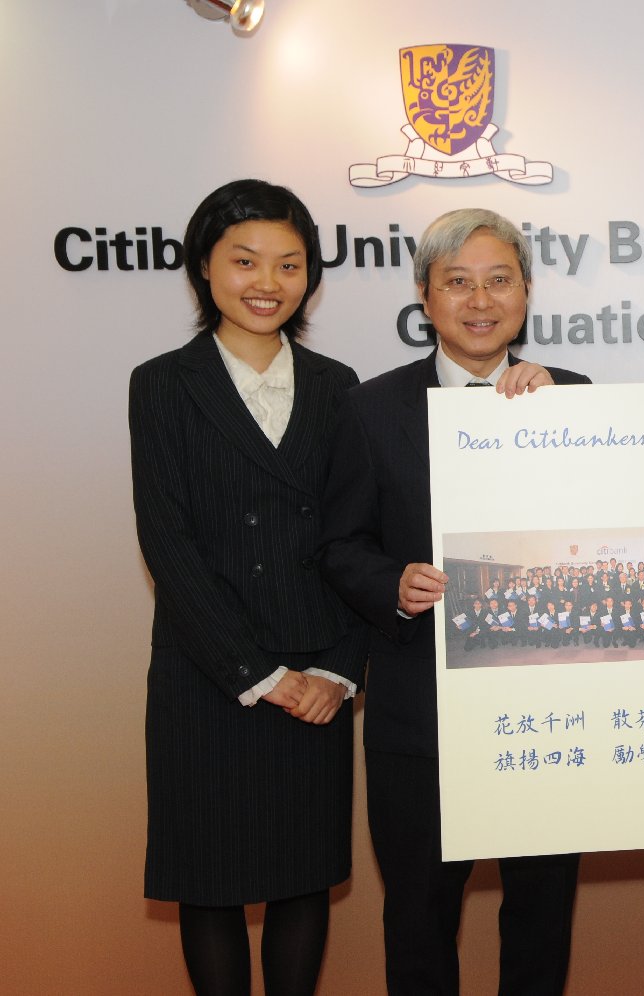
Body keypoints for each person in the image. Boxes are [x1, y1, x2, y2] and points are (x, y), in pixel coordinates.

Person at [319, 208, 589, 995]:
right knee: (420, 920)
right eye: (458, 282)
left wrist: (557, 425)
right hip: (419, 720)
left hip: (545, 715)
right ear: (425, 298)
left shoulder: (572, 397)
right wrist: (392, 587)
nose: (480, 300)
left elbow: (605, 532)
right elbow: (339, 545)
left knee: (540, 916)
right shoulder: (370, 408)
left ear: (527, 293)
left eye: (499, 280)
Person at [129, 178, 365, 996]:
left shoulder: (339, 386)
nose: (267, 282)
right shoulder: (162, 383)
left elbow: (358, 541)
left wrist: (336, 673)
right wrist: (258, 676)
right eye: (244, 261)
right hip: (210, 677)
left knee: (303, 881)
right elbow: (169, 543)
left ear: (311, 277)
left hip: (317, 684)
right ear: (203, 267)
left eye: (289, 264)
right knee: (212, 886)